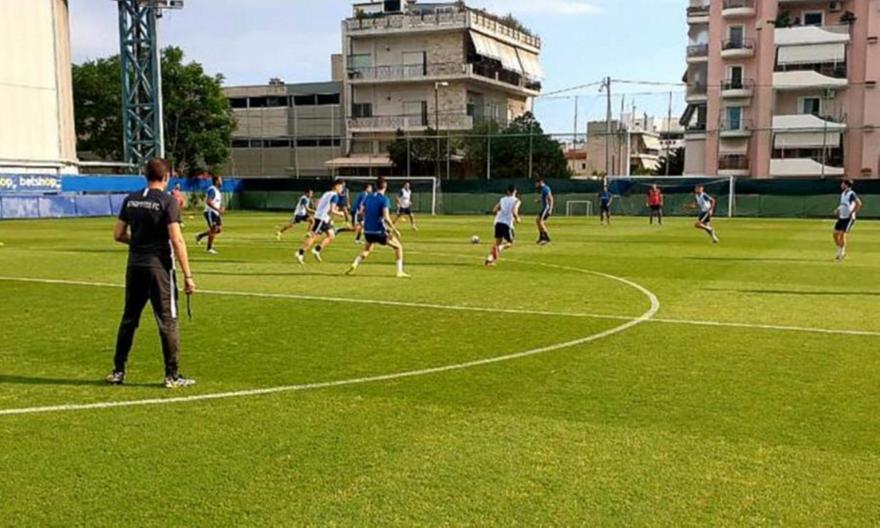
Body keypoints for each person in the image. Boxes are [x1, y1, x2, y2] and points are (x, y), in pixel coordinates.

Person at [107, 158, 197, 389]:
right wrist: (188, 275)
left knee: (129, 319)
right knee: (168, 320)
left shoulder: (131, 199)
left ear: (146, 175)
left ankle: (118, 371)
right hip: (159, 268)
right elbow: (176, 239)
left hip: (135, 265)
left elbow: (118, 234)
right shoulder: (168, 201)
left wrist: (138, 242)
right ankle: (172, 375)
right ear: (166, 177)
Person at [346, 177, 410, 278]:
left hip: (367, 231)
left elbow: (362, 211)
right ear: (385, 186)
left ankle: (355, 263)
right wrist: (394, 229)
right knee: (398, 247)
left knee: (367, 249)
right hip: (379, 231)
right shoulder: (384, 199)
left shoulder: (368, 197)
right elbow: (386, 217)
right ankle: (399, 272)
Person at [296, 179, 346, 264]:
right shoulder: (335, 196)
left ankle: (317, 250)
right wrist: (340, 213)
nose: (342, 189)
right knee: (313, 237)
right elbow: (332, 210)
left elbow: (319, 203)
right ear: (336, 186)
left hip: (323, 218)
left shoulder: (327, 193)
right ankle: (300, 253)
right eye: (341, 186)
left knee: (331, 235)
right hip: (321, 218)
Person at [485, 185, 521, 267]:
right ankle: (499, 248)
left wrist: (501, 211)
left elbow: (494, 209)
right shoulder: (517, 201)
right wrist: (517, 218)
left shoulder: (502, 199)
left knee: (497, 243)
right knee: (510, 243)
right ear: (515, 191)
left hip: (498, 222)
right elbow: (514, 211)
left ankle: (489, 260)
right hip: (507, 224)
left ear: (508, 191)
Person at [834, 179, 863, 262]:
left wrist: (853, 212)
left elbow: (859, 203)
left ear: (846, 185)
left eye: (842, 183)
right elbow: (842, 204)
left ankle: (841, 253)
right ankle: (840, 250)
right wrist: (838, 209)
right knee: (835, 234)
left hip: (848, 218)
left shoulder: (851, 194)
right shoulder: (843, 194)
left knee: (842, 235)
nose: (841, 185)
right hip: (841, 217)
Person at [195, 175, 224, 255]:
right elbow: (208, 201)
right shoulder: (212, 189)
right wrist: (217, 209)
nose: (221, 182)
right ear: (216, 181)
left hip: (216, 213)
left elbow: (216, 201)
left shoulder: (217, 191)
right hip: (210, 212)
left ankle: (200, 236)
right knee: (214, 229)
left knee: (219, 229)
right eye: (220, 180)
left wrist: (221, 207)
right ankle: (209, 248)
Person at [535, 178, 554, 245]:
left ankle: (547, 239)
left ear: (540, 182)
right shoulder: (543, 189)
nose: (536, 185)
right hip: (544, 207)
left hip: (546, 208)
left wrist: (550, 209)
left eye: (536, 183)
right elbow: (544, 198)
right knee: (537, 220)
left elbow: (550, 198)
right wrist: (539, 201)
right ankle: (541, 237)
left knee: (540, 221)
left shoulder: (545, 188)